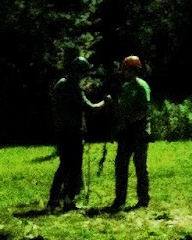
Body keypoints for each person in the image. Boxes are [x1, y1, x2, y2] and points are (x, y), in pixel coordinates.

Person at [48, 53, 104, 211]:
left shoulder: (60, 84)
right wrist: (104, 103)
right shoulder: (72, 86)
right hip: (73, 132)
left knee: (64, 165)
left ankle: (54, 198)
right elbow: (89, 107)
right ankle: (68, 199)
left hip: (61, 131)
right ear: (80, 71)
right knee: (74, 167)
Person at [111, 54, 151, 209]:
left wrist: (128, 122)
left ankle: (143, 199)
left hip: (140, 131)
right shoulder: (126, 87)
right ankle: (120, 199)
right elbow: (122, 110)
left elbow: (145, 110)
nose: (123, 72)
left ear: (133, 70)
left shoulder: (142, 86)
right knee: (120, 165)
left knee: (140, 166)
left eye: (125, 69)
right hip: (125, 133)